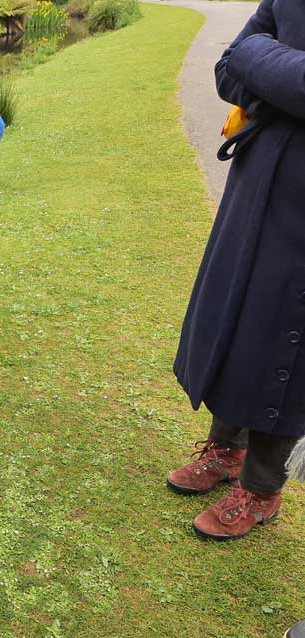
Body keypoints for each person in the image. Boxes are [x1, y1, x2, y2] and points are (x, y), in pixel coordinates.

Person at [170, 0, 305, 542]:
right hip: (255, 189)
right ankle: (227, 451)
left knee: (287, 338)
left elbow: (246, 54)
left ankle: (262, 488)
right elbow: (228, 68)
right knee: (237, 315)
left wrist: (258, 56)